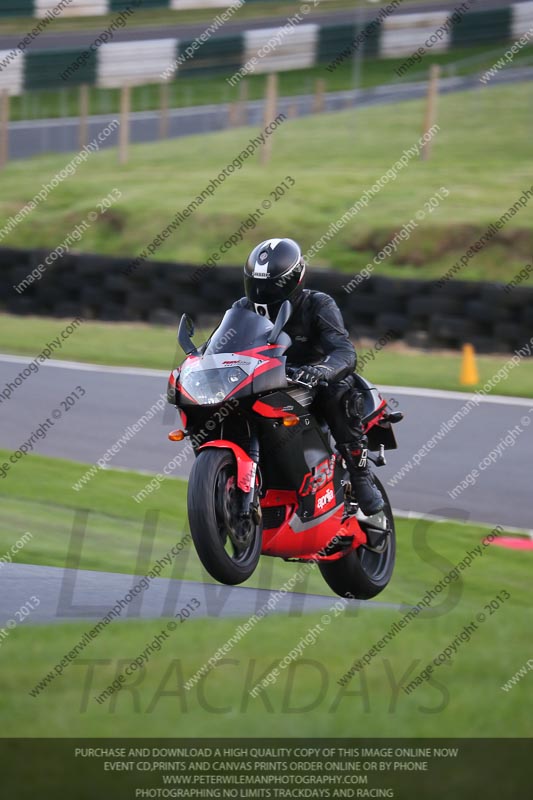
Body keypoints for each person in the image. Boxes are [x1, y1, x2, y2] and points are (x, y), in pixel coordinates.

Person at [234, 237, 384, 516]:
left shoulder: (318, 304)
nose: (261, 291)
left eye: (270, 284)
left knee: (337, 390)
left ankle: (361, 478)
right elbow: (219, 348)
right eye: (256, 284)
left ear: (293, 279)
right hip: (263, 380)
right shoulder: (242, 308)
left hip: (310, 382)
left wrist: (321, 370)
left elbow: (343, 351)